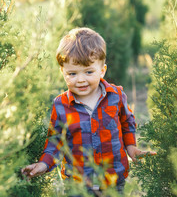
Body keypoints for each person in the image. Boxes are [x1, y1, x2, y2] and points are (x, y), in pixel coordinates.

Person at [21, 27, 156, 195]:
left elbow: (127, 123)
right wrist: (43, 164)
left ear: (102, 70)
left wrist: (131, 147)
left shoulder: (116, 96)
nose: (81, 79)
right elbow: (56, 141)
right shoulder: (61, 105)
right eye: (72, 73)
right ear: (62, 72)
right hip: (77, 185)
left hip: (114, 180)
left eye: (89, 72)